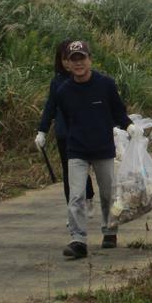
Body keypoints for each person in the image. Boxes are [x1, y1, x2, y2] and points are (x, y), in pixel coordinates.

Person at [54, 40, 135, 259]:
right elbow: (68, 120)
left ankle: (109, 231)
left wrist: (130, 126)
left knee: (108, 193)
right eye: (74, 60)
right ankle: (78, 239)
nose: (78, 63)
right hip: (77, 150)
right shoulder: (64, 91)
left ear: (90, 59)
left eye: (82, 58)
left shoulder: (105, 84)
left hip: (103, 148)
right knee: (77, 195)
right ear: (68, 64)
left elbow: (118, 111)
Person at [35, 40, 95, 207]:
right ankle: (73, 207)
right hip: (65, 134)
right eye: (64, 59)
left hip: (86, 133)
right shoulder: (57, 82)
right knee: (68, 171)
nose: (68, 63)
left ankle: (88, 195)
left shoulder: (87, 79)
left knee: (83, 169)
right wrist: (42, 131)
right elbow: (50, 107)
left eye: (70, 58)